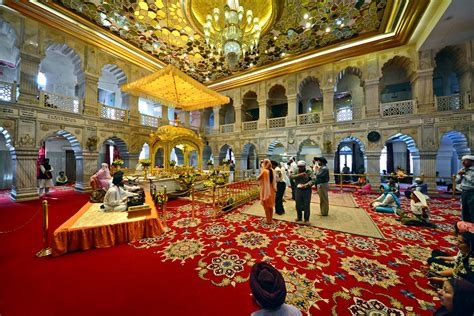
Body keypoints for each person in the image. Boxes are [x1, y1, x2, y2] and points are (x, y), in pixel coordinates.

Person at [257, 159, 277, 224]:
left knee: (266, 206)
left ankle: (268, 221)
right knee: (270, 206)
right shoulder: (273, 171)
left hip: (265, 191)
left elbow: (258, 178)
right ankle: (270, 219)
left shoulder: (264, 171)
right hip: (272, 190)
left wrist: (262, 170)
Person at [455, 155, 474, 223]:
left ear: (471, 162)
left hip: (472, 192)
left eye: (465, 161)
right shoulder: (462, 170)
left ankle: (472, 226)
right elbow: (457, 181)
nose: (463, 162)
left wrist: (464, 175)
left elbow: (472, 181)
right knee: (464, 209)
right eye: (462, 161)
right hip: (464, 192)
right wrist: (460, 175)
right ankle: (466, 225)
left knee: (472, 209)